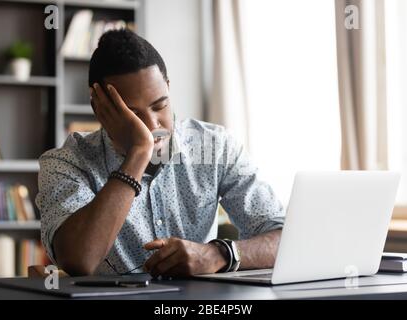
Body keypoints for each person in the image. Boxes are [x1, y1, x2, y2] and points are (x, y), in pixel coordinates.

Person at [36, 29, 285, 277]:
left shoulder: (215, 147)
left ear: (168, 87)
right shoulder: (66, 163)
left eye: (160, 105)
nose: (153, 126)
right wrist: (139, 152)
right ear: (99, 108)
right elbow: (79, 260)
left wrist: (218, 254)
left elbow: (283, 237)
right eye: (134, 114)